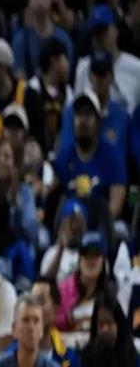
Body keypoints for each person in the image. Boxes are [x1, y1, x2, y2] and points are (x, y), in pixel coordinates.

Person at [53, 90, 127, 221]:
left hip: (103, 224)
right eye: (78, 115)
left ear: (98, 121)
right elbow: (52, 192)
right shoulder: (65, 156)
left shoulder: (112, 155)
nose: (82, 121)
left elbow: (116, 205)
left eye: (88, 114)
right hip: (71, 225)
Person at [31, 277, 81, 367]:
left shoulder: (71, 360)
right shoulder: (13, 356)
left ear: (56, 308)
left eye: (41, 301)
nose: (35, 309)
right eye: (32, 302)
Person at [56, 232, 109, 331]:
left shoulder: (111, 293)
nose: (91, 260)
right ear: (79, 260)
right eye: (86, 254)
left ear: (103, 261)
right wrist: (68, 321)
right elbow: (52, 322)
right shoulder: (62, 290)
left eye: (95, 255)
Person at [89, 293, 140, 367]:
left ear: (119, 324)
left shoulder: (134, 358)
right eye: (100, 324)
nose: (104, 329)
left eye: (109, 323)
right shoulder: (88, 357)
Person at [40, 198, 87, 282]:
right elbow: (45, 282)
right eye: (70, 225)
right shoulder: (52, 253)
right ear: (61, 226)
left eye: (77, 228)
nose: (73, 230)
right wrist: (61, 249)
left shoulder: (92, 254)